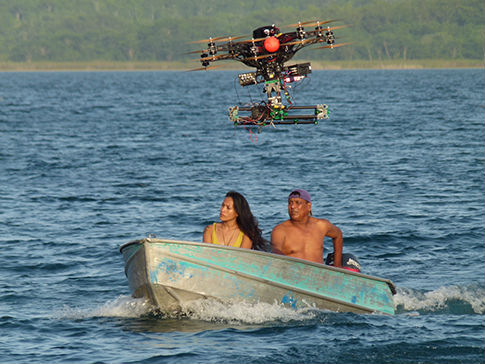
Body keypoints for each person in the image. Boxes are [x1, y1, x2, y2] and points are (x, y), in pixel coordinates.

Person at [271, 189, 343, 267]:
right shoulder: (280, 230)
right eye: (290, 203)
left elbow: (338, 235)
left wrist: (337, 266)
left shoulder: (321, 225)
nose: (292, 206)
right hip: (292, 275)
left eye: (297, 203)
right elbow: (276, 252)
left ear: (308, 206)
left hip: (318, 275)